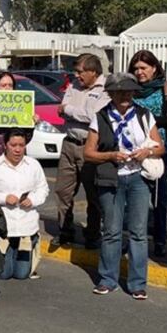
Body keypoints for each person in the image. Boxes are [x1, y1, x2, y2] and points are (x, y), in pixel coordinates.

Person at [85, 76, 165, 298]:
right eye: (120, 92)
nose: (125, 96)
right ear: (111, 93)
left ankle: (138, 283)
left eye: (129, 92)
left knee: (139, 232)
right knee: (111, 231)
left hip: (137, 178)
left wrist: (146, 152)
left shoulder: (143, 115)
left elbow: (160, 147)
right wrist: (111, 155)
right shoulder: (100, 117)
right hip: (111, 179)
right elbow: (89, 153)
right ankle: (107, 279)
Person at [128, 50, 167, 257]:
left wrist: (142, 118)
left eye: (143, 68)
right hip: (133, 150)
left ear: (155, 68)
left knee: (159, 198)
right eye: (136, 69)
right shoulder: (130, 89)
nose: (139, 72)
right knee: (131, 197)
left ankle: (160, 241)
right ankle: (132, 238)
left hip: (159, 150)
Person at [55, 53, 109, 248]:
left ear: (93, 72)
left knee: (92, 194)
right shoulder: (73, 86)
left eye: (80, 72)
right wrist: (70, 110)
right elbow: (61, 108)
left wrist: (69, 110)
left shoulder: (105, 89)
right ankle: (65, 230)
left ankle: (93, 234)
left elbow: (92, 116)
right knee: (63, 190)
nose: (77, 76)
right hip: (69, 143)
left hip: (90, 146)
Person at [0, 128, 50, 280]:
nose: (18, 149)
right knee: (4, 274)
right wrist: (3, 198)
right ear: (5, 145)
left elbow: (43, 189)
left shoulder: (33, 164)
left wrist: (32, 200)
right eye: (13, 145)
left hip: (26, 227)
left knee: (21, 274)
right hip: (3, 227)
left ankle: (28, 248)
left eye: (21, 145)